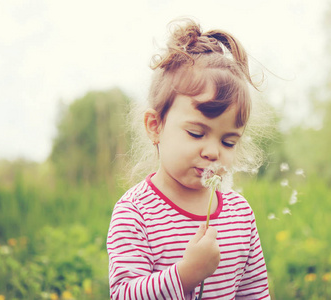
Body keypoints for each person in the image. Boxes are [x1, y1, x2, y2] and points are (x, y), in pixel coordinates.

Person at [107, 18, 270, 299]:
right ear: (155, 126)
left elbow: (254, 293)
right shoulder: (135, 214)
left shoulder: (239, 214)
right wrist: (185, 276)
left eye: (228, 141)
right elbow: (123, 294)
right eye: (196, 133)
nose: (213, 152)